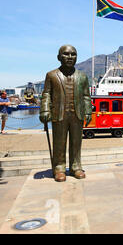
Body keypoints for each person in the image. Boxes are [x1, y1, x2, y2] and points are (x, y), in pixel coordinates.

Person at [39, 45, 92, 182]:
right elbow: (46, 94)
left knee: (76, 142)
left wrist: (88, 111)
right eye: (66, 54)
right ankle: (59, 168)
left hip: (77, 114)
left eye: (73, 54)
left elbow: (86, 96)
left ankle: (76, 166)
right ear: (59, 57)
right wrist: (45, 109)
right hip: (59, 114)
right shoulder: (51, 75)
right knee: (59, 143)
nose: (70, 57)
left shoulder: (82, 76)